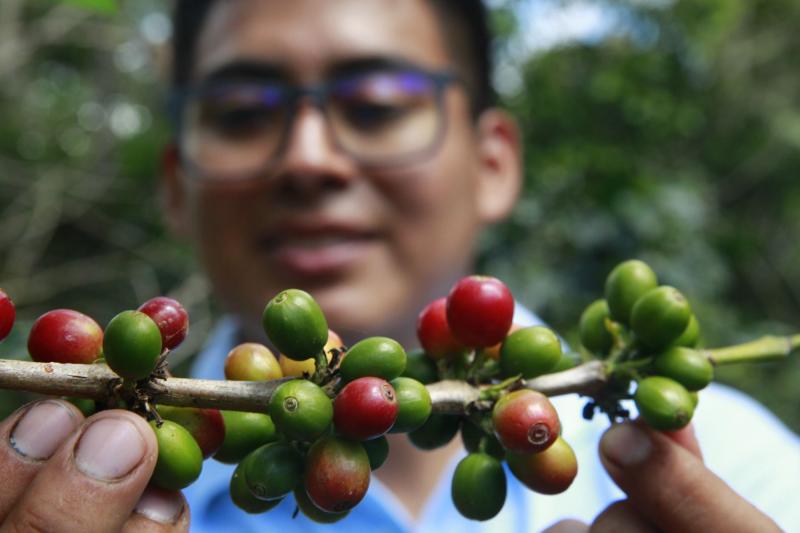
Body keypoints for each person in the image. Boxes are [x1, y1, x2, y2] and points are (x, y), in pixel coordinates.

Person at [0, 0, 797, 531]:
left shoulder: (746, 471)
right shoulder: (63, 479)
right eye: (242, 113)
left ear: (493, 164)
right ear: (176, 185)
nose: (308, 161)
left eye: (377, 102)